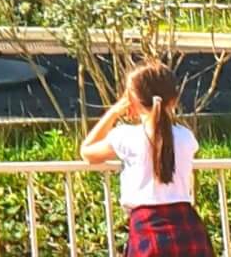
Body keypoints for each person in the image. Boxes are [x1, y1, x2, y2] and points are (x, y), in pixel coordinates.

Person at [80, 61, 210, 257]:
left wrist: (115, 111)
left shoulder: (125, 136)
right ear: (174, 100)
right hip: (187, 225)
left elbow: (87, 152)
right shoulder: (186, 137)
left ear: (132, 99)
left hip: (146, 227)